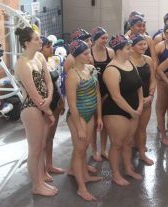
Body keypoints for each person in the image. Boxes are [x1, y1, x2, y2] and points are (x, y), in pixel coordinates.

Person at [15, 27, 57, 196]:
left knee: (41, 147)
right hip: (31, 108)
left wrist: (49, 100)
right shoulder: (23, 64)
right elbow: (33, 94)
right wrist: (48, 110)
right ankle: (37, 185)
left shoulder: (39, 57)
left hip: (43, 105)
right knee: (35, 149)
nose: (41, 41)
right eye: (37, 39)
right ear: (27, 43)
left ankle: (40, 181)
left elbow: (49, 81)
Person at [103, 34, 143, 186]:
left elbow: (139, 86)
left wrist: (138, 106)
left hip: (134, 109)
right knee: (117, 144)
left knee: (128, 142)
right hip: (116, 111)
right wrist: (132, 112)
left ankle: (128, 169)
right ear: (118, 51)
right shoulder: (111, 69)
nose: (130, 51)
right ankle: (115, 174)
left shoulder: (130, 63)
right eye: (128, 49)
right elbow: (116, 96)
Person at [66, 39, 103, 201]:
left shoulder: (91, 69)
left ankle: (85, 176)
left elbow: (97, 94)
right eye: (85, 53)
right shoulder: (72, 76)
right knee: (80, 151)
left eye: (89, 52)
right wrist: (79, 127)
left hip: (90, 114)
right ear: (76, 56)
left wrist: (99, 116)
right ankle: (81, 188)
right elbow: (72, 105)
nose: (89, 56)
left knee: (84, 147)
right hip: (78, 116)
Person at [40, 36, 65, 180]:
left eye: (51, 46)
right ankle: (42, 170)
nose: (52, 49)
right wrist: (46, 108)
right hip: (45, 104)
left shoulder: (50, 61)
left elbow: (56, 83)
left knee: (50, 137)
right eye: (48, 46)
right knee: (43, 139)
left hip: (55, 101)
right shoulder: (37, 65)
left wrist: (61, 99)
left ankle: (49, 165)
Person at [130, 34, 156, 165]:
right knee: (129, 130)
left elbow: (152, 79)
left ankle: (141, 153)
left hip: (146, 99)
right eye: (140, 44)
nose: (143, 47)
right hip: (130, 100)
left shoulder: (148, 60)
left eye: (144, 44)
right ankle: (127, 155)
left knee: (142, 128)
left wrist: (150, 96)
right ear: (132, 46)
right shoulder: (127, 61)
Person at [90, 27, 115, 162]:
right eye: (102, 38)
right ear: (95, 40)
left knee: (104, 122)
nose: (105, 41)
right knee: (94, 123)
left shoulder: (110, 52)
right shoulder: (89, 54)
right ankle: (94, 150)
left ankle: (104, 149)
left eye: (106, 38)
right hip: (93, 91)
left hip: (107, 91)